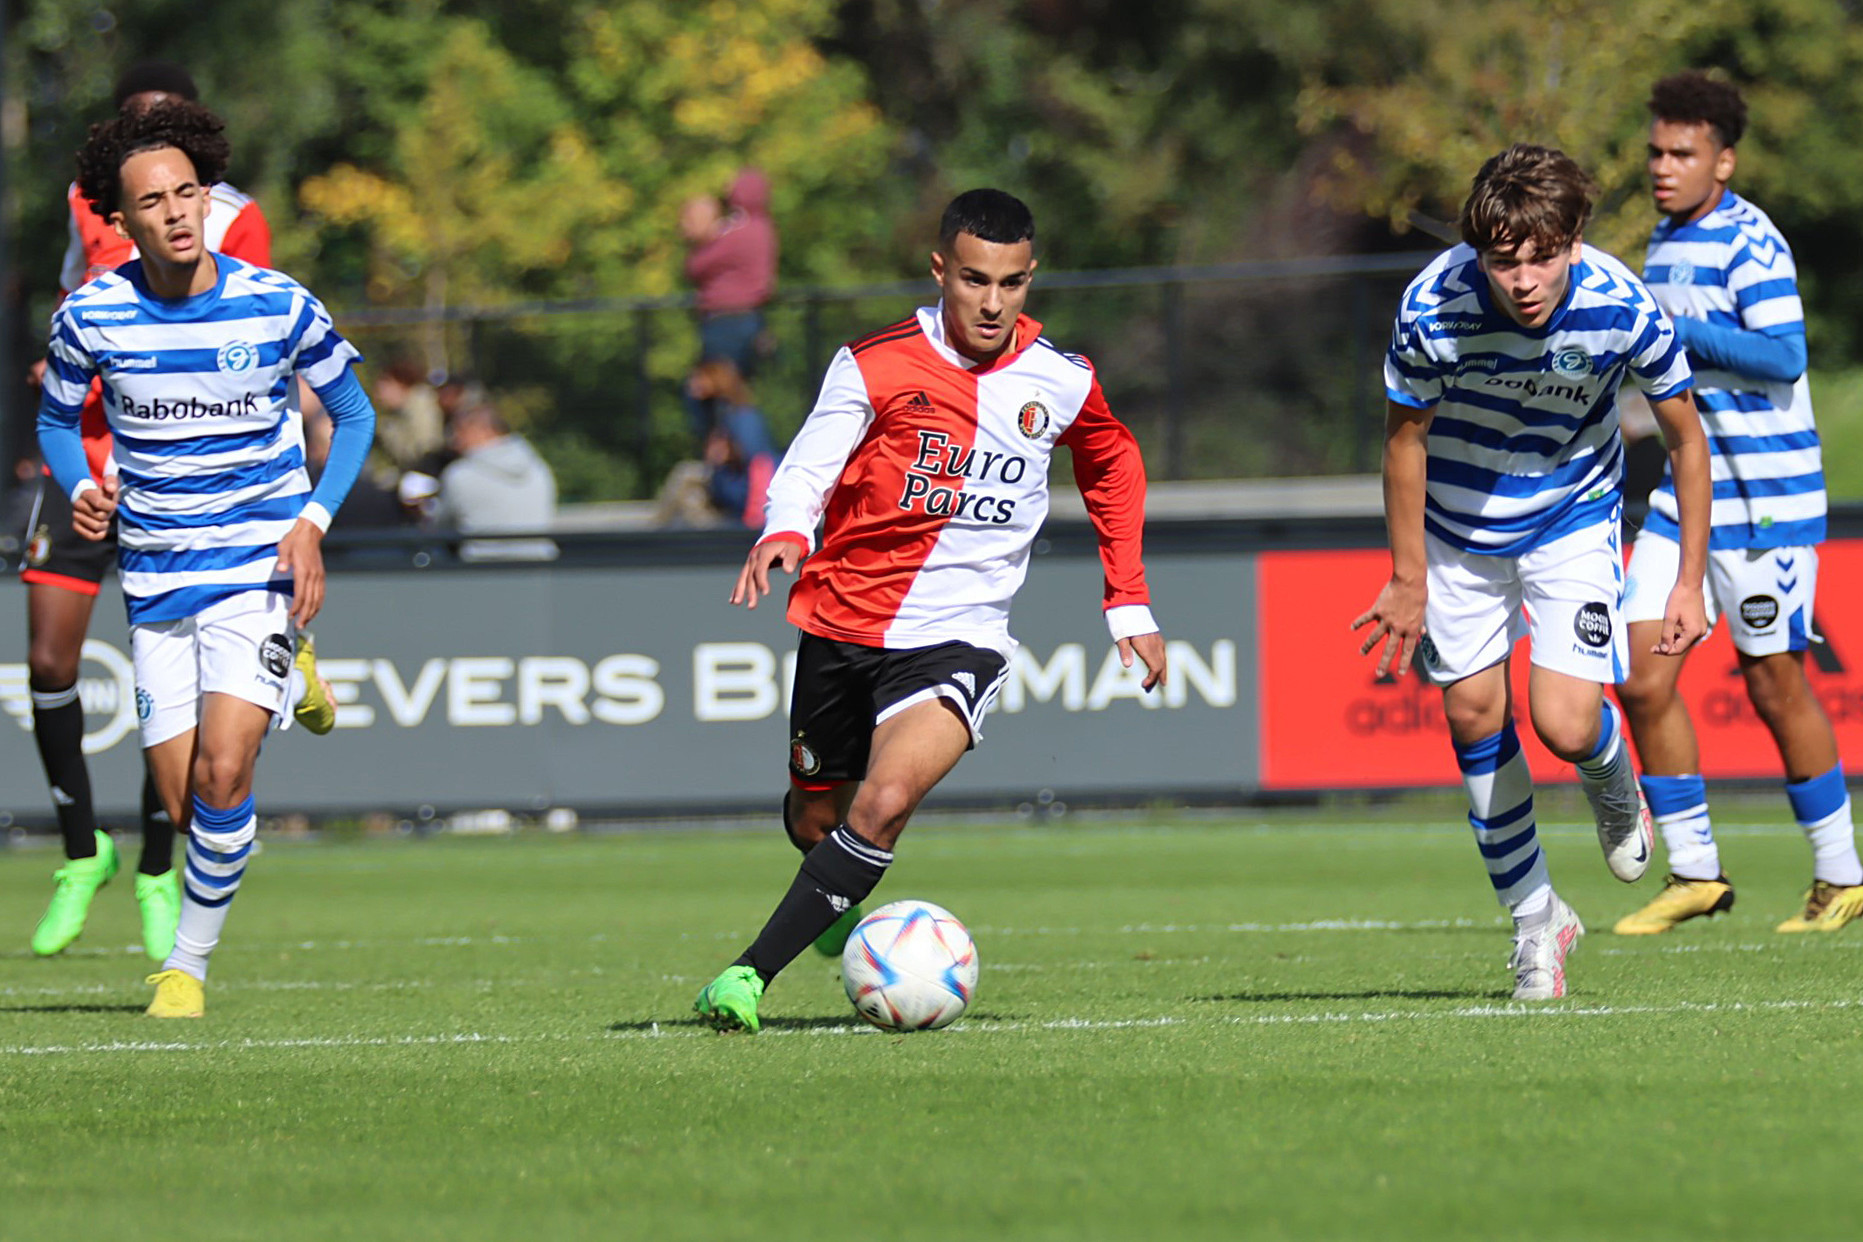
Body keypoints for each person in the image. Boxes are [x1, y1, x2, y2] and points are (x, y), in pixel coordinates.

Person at [692, 189, 1167, 1033]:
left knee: (882, 804)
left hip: (959, 636)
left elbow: (1112, 459)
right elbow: (809, 463)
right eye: (975, 280)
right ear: (940, 270)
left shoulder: (1060, 380)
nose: (992, 303)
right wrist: (787, 528)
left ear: (1030, 277)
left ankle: (744, 977)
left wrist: (1127, 599)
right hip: (843, 622)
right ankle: (831, 896)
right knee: (814, 815)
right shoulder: (873, 363)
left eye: (1012, 283)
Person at [37, 99, 376, 1018]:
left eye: (189, 192)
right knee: (189, 807)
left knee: (225, 773)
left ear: (208, 199)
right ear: (121, 218)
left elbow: (354, 415)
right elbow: (55, 420)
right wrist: (80, 483)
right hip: (156, 579)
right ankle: (294, 669)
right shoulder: (92, 315)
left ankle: (184, 969)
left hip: (257, 569)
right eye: (154, 201)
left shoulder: (277, 302)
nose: (177, 212)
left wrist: (312, 521)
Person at [1354, 144, 1712, 1000]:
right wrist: (1408, 576)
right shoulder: (1432, 308)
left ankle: (1611, 777)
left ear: (1574, 240)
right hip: (1456, 528)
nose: (1522, 281)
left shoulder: (1622, 308)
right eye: (1502, 261)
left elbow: (1685, 439)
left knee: (1562, 721)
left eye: (1541, 258)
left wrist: (1687, 582)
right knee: (1471, 712)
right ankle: (1535, 922)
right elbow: (1403, 443)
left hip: (1570, 518)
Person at [20, 62, 281, 964]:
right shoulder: (88, 202)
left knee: (176, 677)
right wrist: (60, 361)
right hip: (86, 460)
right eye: (139, 123)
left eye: (170, 125)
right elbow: (75, 298)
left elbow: (246, 341)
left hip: (177, 477)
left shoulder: (234, 216)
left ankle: (158, 867)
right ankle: (81, 851)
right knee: (47, 657)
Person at [1613, 73, 1863, 935]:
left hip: (1764, 503)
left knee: (1772, 684)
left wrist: (1676, 331)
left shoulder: (1751, 242)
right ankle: (1695, 873)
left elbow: (1784, 356)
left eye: (1681, 153)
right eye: (1655, 151)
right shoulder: (1663, 238)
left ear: (1722, 161)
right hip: (1686, 499)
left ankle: (1841, 877)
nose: (1662, 166)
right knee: (1639, 677)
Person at [681, 169, 778, 391]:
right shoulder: (764, 227)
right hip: (751, 317)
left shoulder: (737, 230)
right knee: (734, 388)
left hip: (727, 320)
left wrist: (702, 238)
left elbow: (698, 266)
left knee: (717, 391)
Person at [433, 402, 557, 561]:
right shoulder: (539, 468)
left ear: (481, 430)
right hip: (539, 567)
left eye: (457, 432)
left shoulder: (460, 474)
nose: (454, 441)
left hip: (484, 569)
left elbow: (442, 529)